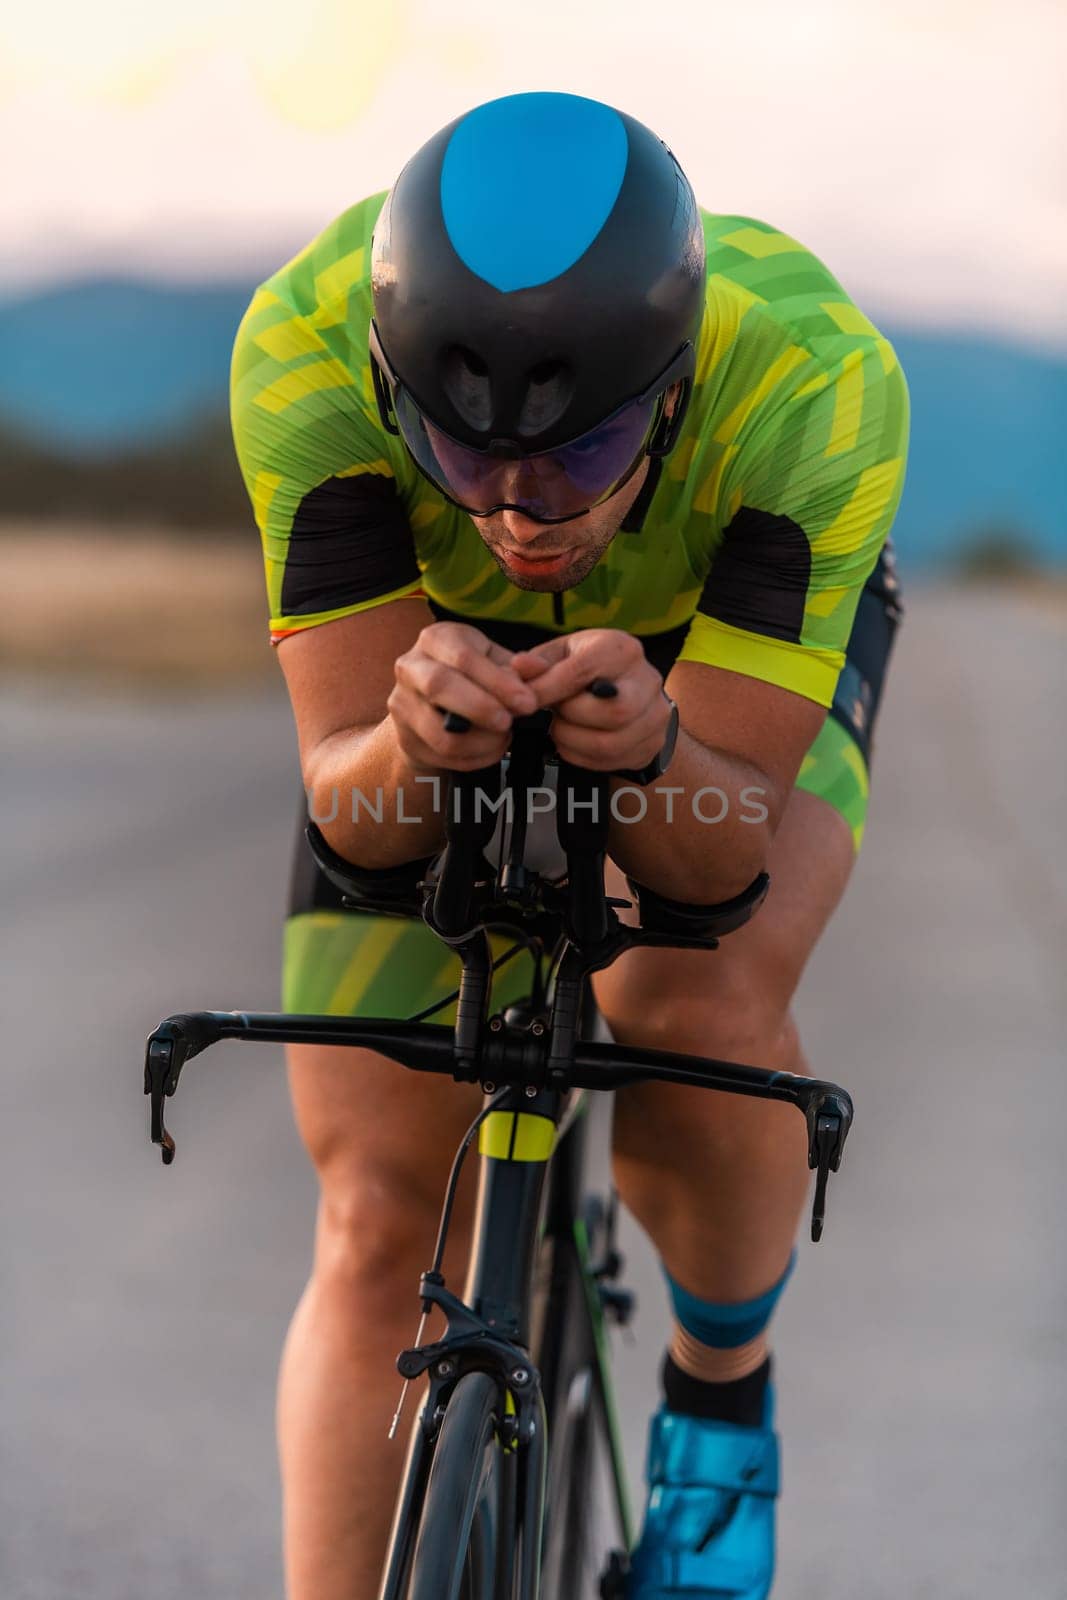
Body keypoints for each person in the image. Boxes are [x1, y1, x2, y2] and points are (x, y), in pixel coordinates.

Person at [230, 90, 907, 1600]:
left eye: (583, 449)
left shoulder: (813, 382)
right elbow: (353, 801)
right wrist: (407, 743)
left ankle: (721, 1400)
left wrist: (658, 750)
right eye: (466, 459)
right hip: (434, 654)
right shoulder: (304, 348)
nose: (525, 512)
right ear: (398, 386)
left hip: (712, 650)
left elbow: (716, 857)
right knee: (374, 1216)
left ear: (669, 390)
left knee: (687, 1000)